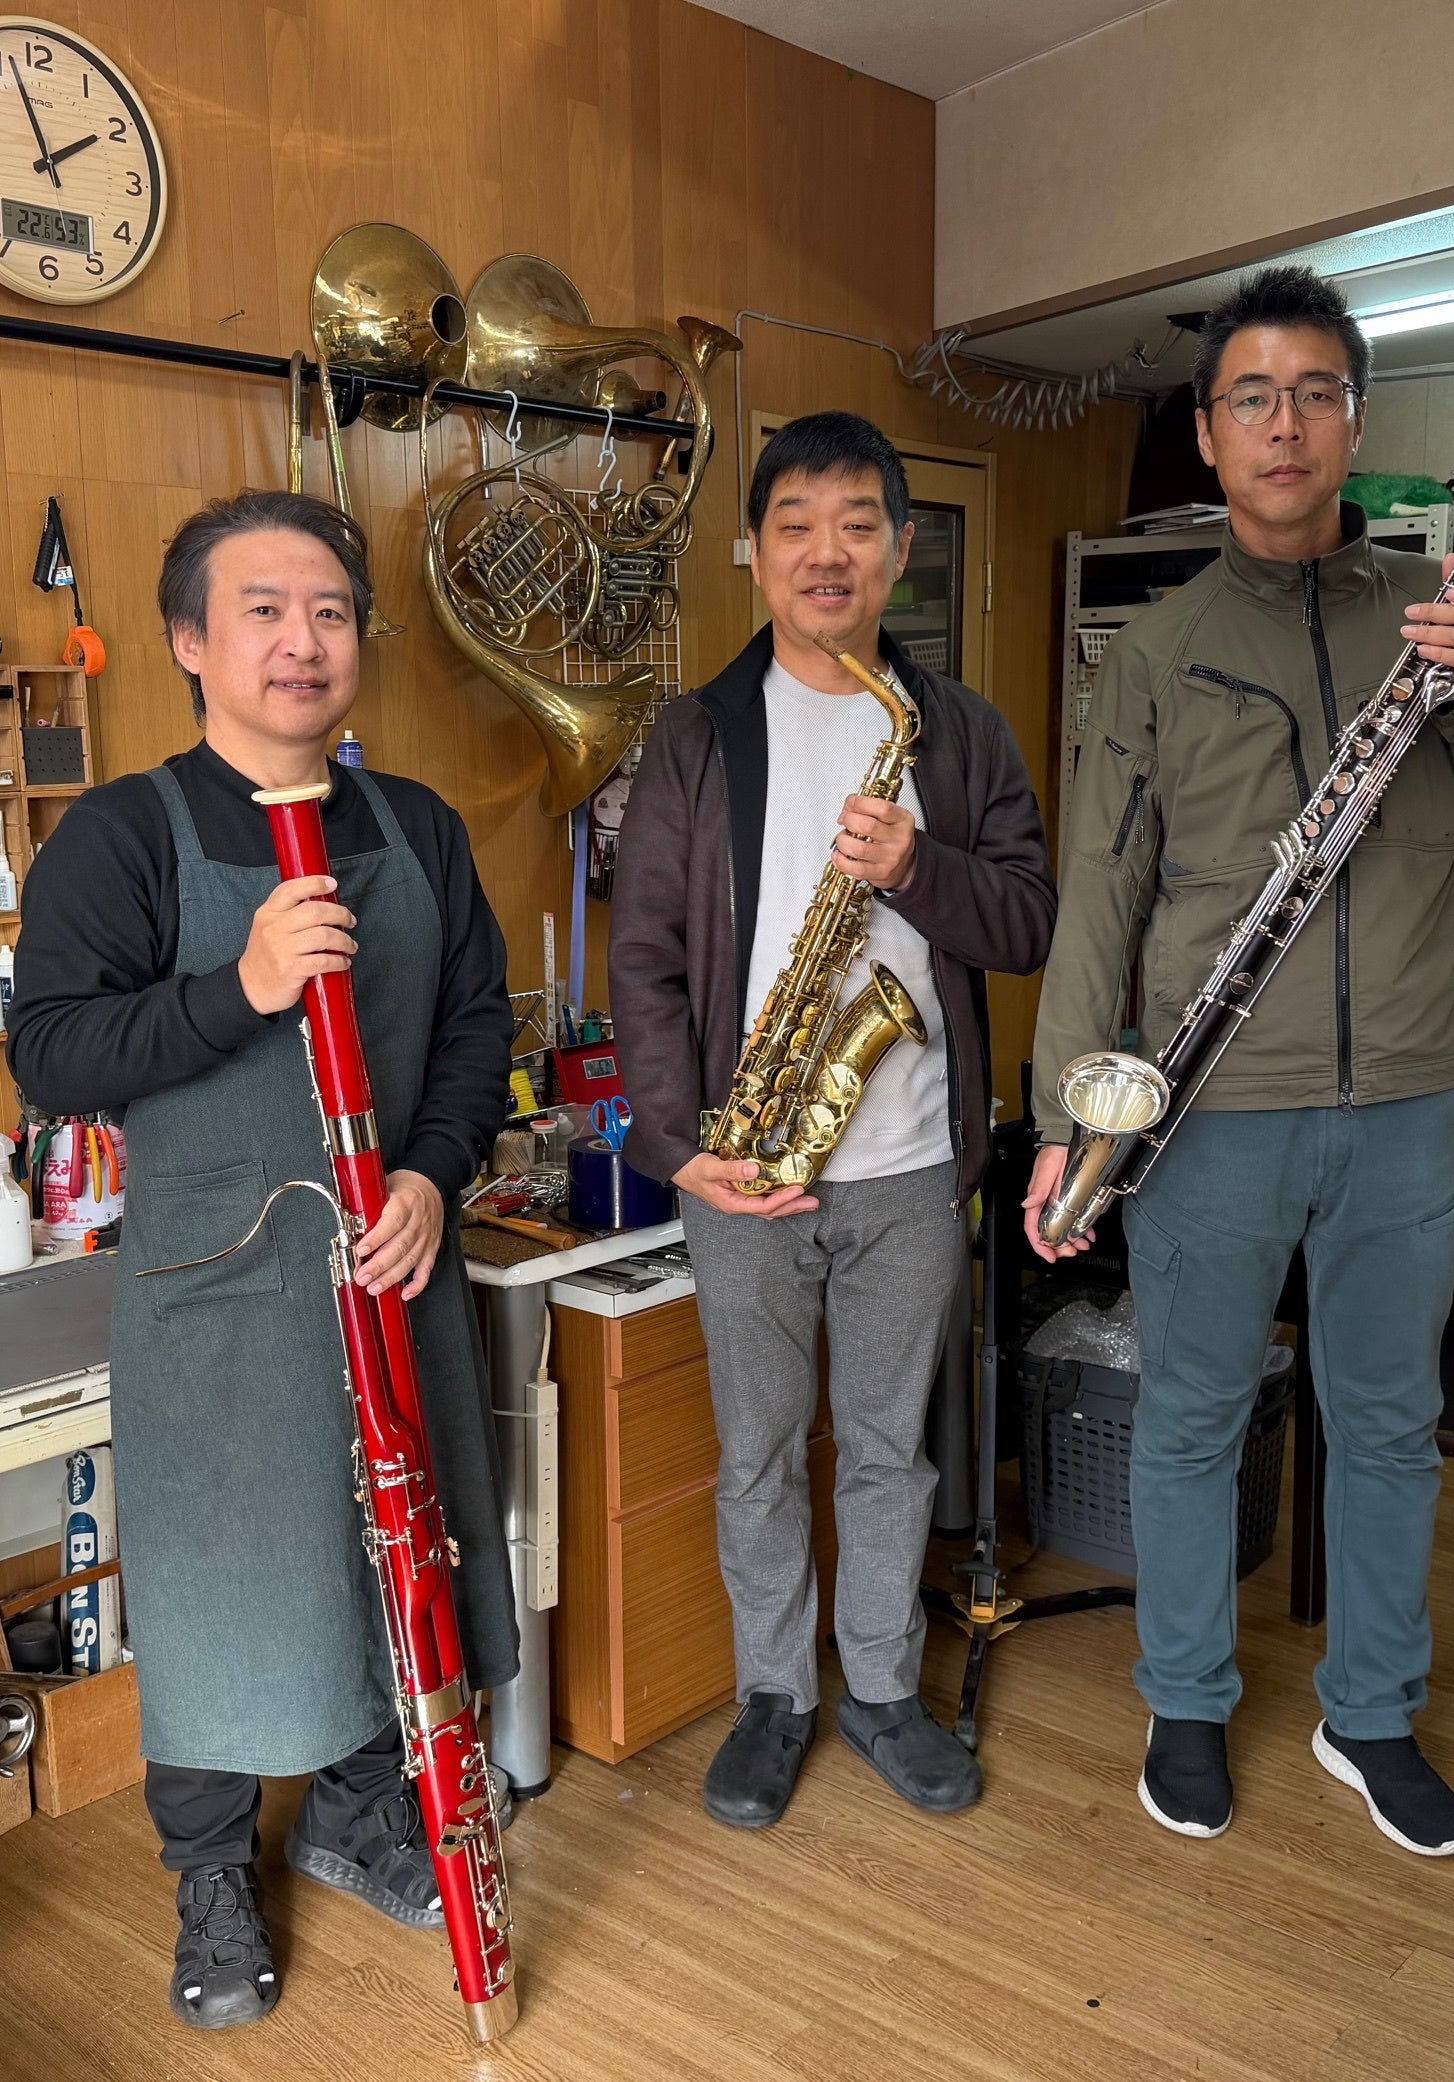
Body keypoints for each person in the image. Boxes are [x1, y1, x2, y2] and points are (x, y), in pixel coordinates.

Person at [1026, 267, 1454, 1857]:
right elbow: (1101, 897)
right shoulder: (1158, 650)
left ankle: (1369, 1713)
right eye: (1252, 397)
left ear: (1354, 421)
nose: (1284, 424)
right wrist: (1070, 1117)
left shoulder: (1439, 615)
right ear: (1206, 432)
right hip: (1214, 1108)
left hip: (1410, 1094)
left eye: (1316, 393)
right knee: (1192, 1413)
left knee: (1387, 1422)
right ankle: (1186, 1698)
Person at [7, 490, 518, 2027]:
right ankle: (212, 1873)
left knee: (386, 1566)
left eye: (332, 611)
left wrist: (433, 1172)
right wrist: (238, 985)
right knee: (223, 1580)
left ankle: (362, 1815)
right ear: (188, 640)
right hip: (219, 1302)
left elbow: (475, 1028)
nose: (305, 640)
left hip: (392, 1274)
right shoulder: (121, 834)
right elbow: (51, 1054)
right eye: (264, 610)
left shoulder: (416, 827)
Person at [611, 411, 1055, 1827]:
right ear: (752, 552)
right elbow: (645, 957)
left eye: (858, 524)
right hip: (744, 1166)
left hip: (910, 1163)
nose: (826, 552)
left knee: (888, 1449)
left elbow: (1029, 922)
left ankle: (878, 1686)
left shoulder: (958, 731)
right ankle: (772, 1695)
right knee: (755, 1454)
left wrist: (920, 867)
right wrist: (680, 1145)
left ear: (900, 550)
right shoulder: (695, 735)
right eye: (795, 524)